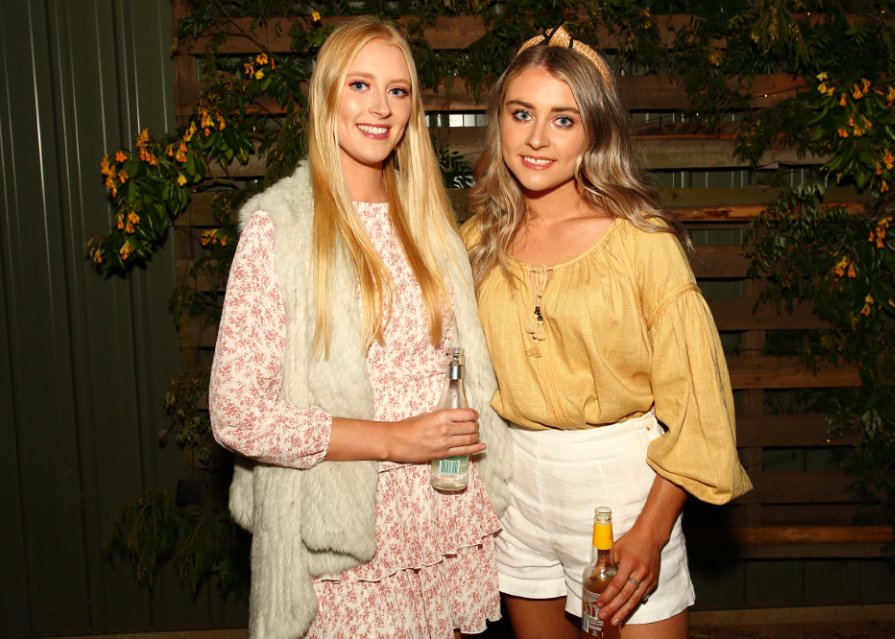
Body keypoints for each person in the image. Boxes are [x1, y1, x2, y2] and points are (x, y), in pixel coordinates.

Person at [208, 16, 511, 639]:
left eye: (398, 90)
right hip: (347, 538)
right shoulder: (280, 229)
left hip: (445, 513)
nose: (381, 107)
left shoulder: (428, 219)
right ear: (327, 95)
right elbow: (236, 414)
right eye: (360, 85)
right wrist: (393, 440)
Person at [462, 26, 753, 639]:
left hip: (621, 493)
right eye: (522, 113)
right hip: (514, 492)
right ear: (500, 121)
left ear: (595, 131)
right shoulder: (476, 242)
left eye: (564, 120)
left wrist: (651, 530)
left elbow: (697, 407)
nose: (537, 138)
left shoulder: (642, 243)